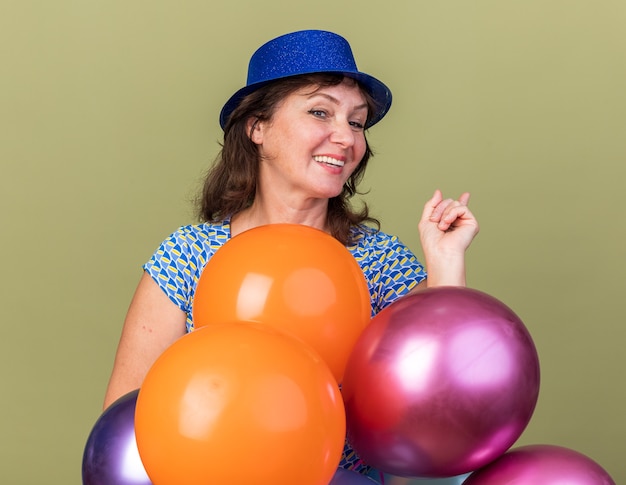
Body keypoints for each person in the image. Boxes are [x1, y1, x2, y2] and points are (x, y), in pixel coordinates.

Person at [103, 29, 479, 475]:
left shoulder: (378, 261)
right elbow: (124, 426)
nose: (346, 137)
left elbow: (444, 405)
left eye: (356, 122)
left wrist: (445, 263)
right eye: (321, 112)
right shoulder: (187, 256)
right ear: (257, 126)